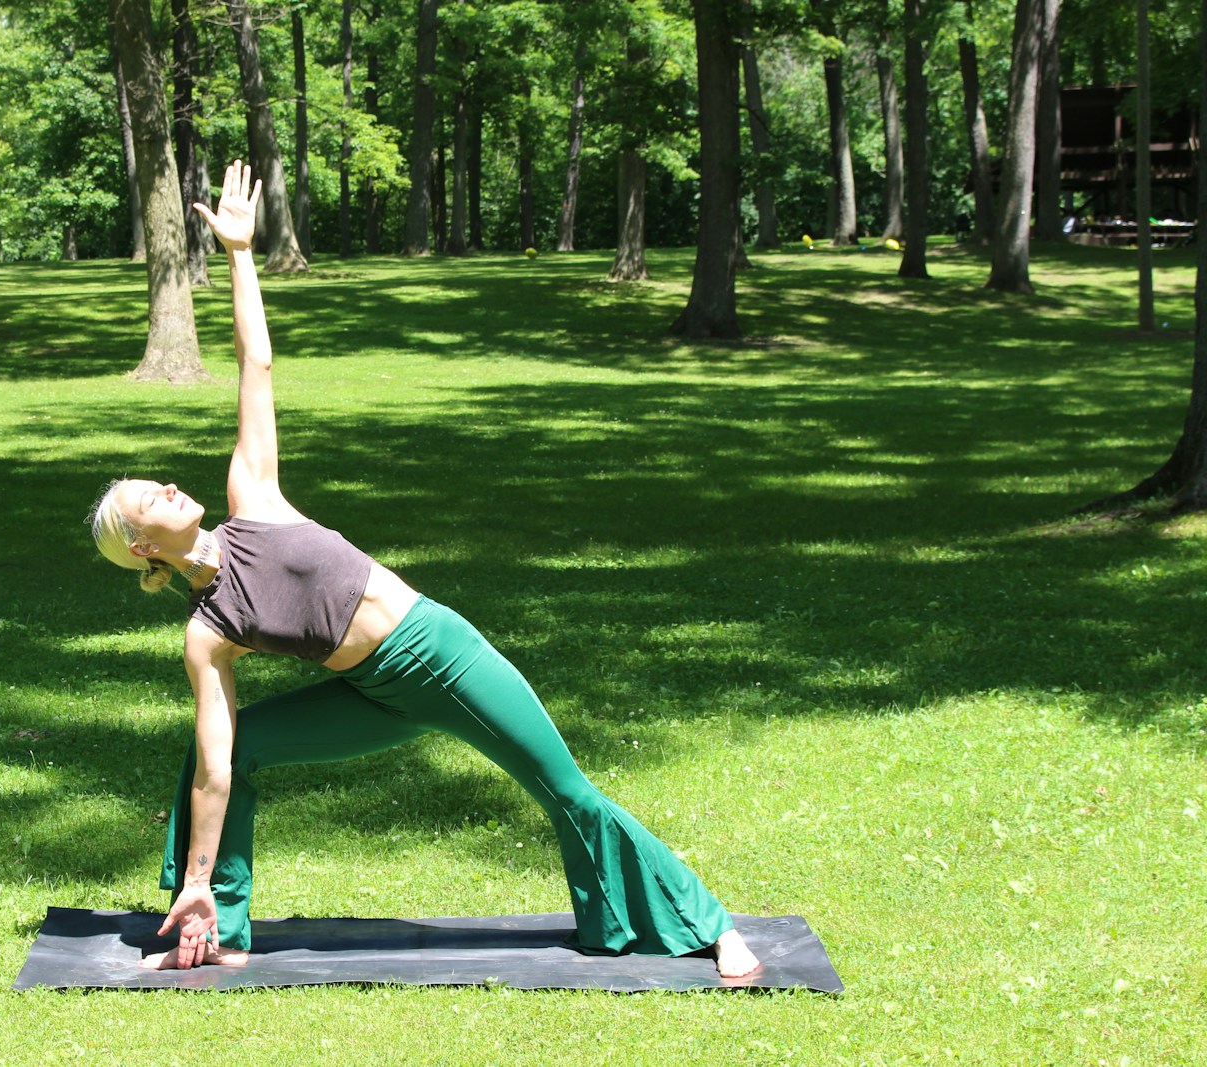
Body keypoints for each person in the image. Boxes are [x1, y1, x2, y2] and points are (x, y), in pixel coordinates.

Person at [89, 161, 760, 978]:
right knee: (230, 747)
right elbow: (220, 763)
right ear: (145, 546)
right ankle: (210, 919)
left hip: (437, 653)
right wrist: (196, 875)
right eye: (144, 498)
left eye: (152, 479)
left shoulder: (251, 496)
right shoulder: (207, 632)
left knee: (565, 791)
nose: (163, 483)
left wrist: (239, 253)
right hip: (372, 695)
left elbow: (255, 366)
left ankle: (707, 922)